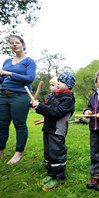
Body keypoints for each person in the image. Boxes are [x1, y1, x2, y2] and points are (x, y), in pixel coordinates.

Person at [32, 72, 75, 191]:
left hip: (57, 130)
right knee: (49, 152)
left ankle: (58, 177)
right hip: (48, 128)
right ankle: (51, 173)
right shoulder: (54, 95)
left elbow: (56, 111)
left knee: (57, 152)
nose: (58, 83)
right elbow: (46, 108)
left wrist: (40, 106)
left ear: (69, 85)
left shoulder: (68, 99)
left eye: (61, 82)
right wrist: (36, 105)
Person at [0, 35, 37, 164]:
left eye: (16, 42)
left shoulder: (29, 61)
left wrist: (9, 73)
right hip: (3, 94)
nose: (14, 45)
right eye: (11, 43)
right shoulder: (6, 61)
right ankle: (0, 149)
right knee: (2, 124)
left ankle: (18, 153)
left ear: (22, 44)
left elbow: (29, 79)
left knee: (19, 124)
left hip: (20, 95)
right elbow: (2, 79)